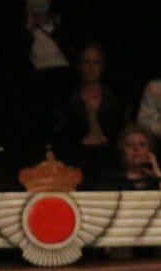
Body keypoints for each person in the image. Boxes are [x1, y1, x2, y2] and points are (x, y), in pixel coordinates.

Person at [52, 42, 126, 177]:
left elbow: (124, 130)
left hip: (110, 158)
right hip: (76, 158)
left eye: (96, 62)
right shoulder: (66, 99)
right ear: (79, 65)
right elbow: (60, 133)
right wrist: (80, 141)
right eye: (86, 62)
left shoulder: (115, 99)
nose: (91, 67)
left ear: (102, 66)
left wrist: (107, 139)